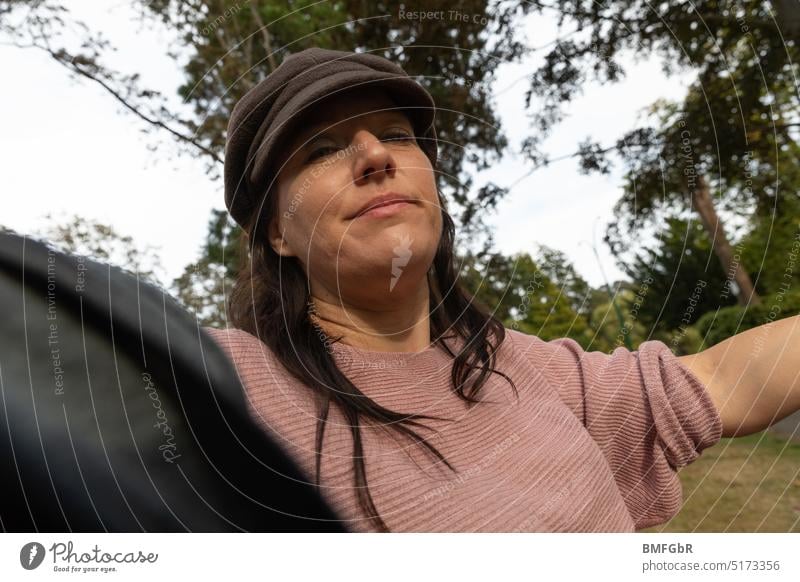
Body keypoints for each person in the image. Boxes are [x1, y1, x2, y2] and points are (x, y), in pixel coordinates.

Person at [204, 47, 800, 533]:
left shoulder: (520, 366)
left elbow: (720, 381)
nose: (375, 155)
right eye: (324, 149)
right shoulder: (222, 385)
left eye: (397, 134)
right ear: (278, 230)